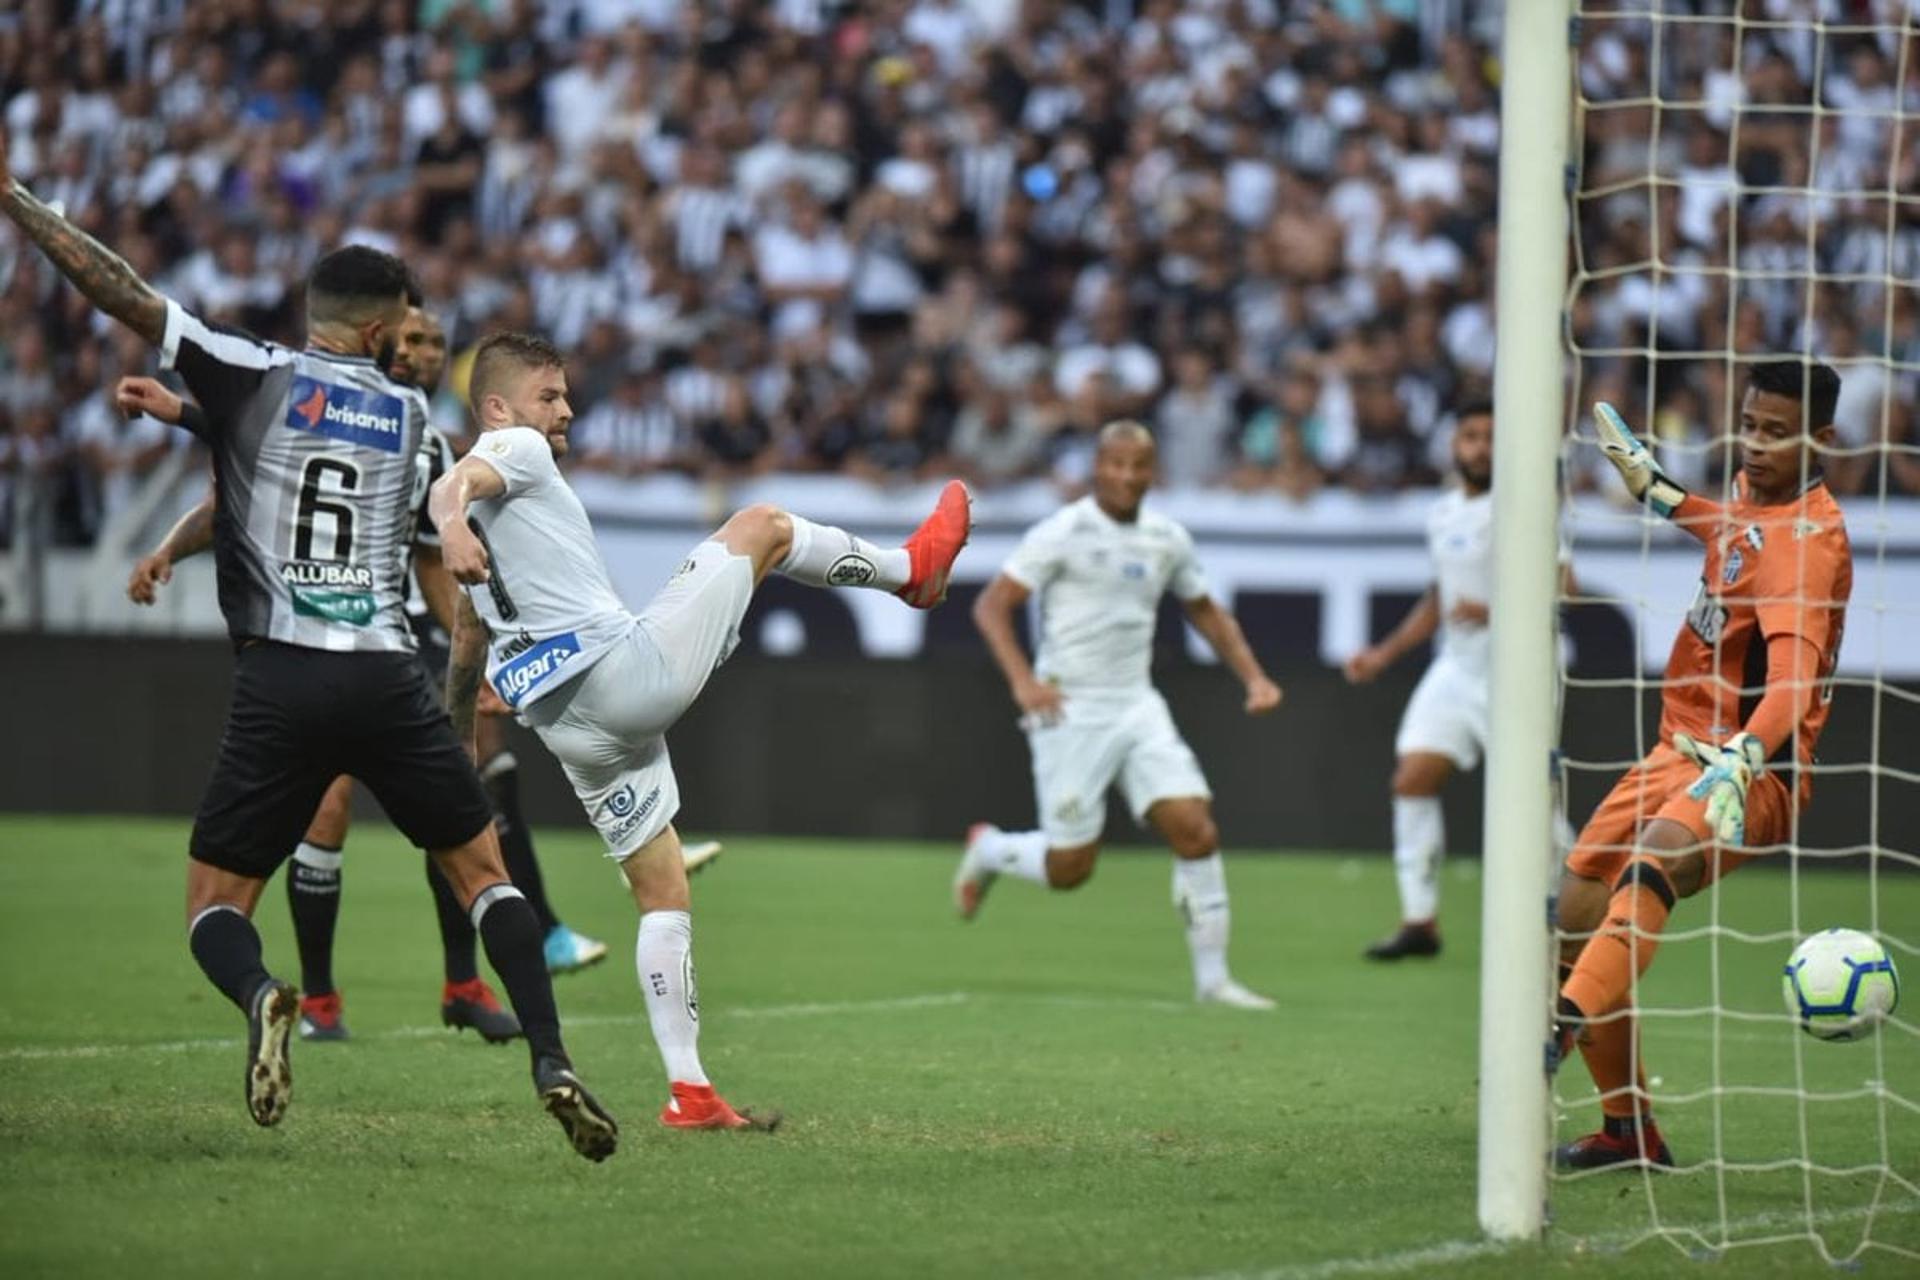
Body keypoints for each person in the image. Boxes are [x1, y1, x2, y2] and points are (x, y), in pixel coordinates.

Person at [0, 138, 617, 1161]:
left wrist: (21, 205)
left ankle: (264, 993)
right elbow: (406, 510)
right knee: (483, 873)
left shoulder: (252, 373)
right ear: (382, 333)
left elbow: (126, 294)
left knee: (214, 902)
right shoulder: (417, 415)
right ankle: (550, 1056)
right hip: (387, 672)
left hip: (281, 675)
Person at [429, 332, 973, 1129]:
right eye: (550, 396)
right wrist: (448, 521)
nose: (566, 411)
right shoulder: (512, 452)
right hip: (618, 677)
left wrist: (453, 754)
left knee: (662, 890)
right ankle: (909, 574)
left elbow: (469, 639)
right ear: (499, 408)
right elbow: (453, 485)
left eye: (566, 395)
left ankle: (691, 1091)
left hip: (569, 727)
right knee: (762, 526)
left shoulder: (491, 530)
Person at [1554, 361, 1851, 1169]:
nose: (1754, 445)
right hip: (1673, 746)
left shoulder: (1806, 549)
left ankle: (1552, 1035)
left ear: (1820, 438)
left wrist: (1744, 757)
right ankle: (1628, 1132)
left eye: (1775, 432)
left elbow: (1791, 685)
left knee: (1651, 865)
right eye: (1750, 424)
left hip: (1746, 773)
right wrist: (1660, 492)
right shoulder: (1755, 494)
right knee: (1574, 913)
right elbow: (1730, 537)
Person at [953, 420, 1284, 1009]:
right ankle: (990, 849)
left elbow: (1207, 612)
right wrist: (1024, 681)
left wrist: (1254, 677)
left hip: (1136, 702)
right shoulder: (1064, 530)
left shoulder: (1167, 537)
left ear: (1152, 471)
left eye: (1139, 466)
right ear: (1097, 467)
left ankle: (1214, 981)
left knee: (1195, 828)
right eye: (1116, 464)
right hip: (1070, 705)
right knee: (1070, 868)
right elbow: (991, 607)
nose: (1127, 476)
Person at [1343, 404, 1576, 959]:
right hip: (1457, 668)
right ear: (1453, 445)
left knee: (1534, 807)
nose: (1479, 447)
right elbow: (1439, 599)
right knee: (1412, 779)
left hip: (1519, 670)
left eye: (1491, 438)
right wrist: (1385, 653)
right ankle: (1420, 921)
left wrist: (1498, 610)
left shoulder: (1525, 506)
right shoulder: (1443, 512)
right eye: (1470, 436)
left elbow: (1568, 586)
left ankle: (1580, 905)